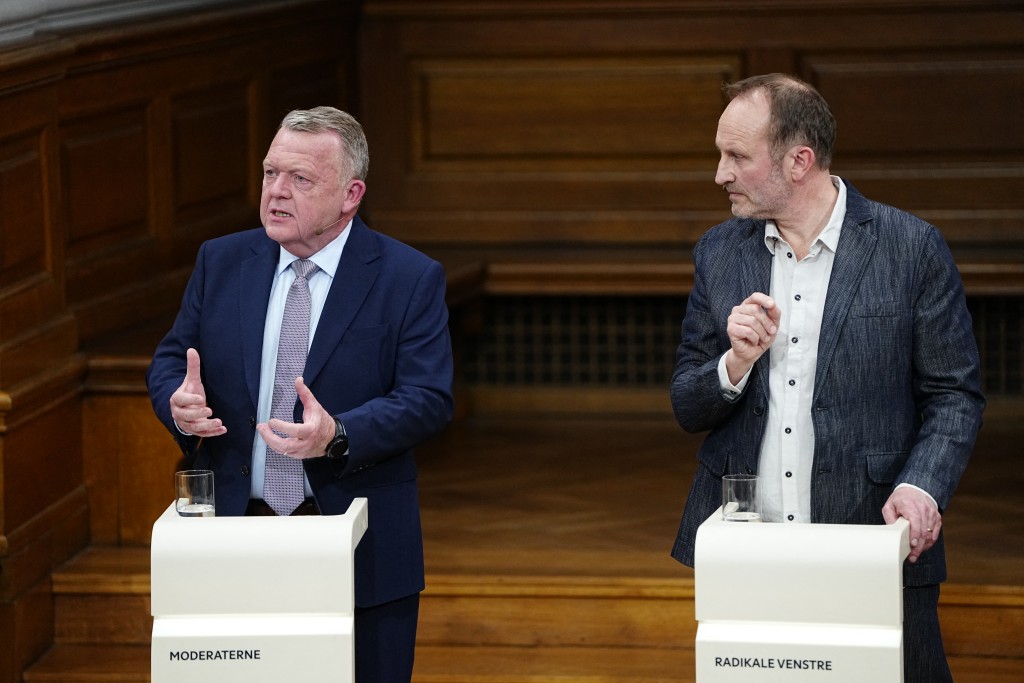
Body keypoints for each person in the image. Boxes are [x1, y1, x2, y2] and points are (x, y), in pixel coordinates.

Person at [669, 74, 984, 682]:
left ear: (798, 161)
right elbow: (688, 404)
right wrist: (734, 364)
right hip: (747, 551)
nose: (720, 174)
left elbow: (954, 395)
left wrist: (922, 487)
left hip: (873, 544)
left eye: (736, 156)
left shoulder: (911, 248)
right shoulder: (719, 252)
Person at [146, 106, 454, 682]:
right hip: (232, 535)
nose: (276, 193)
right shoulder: (222, 260)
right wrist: (177, 405)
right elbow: (172, 360)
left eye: (300, 179)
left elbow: (429, 397)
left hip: (357, 543)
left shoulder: (408, 277)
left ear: (350, 194)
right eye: (269, 174)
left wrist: (338, 434)